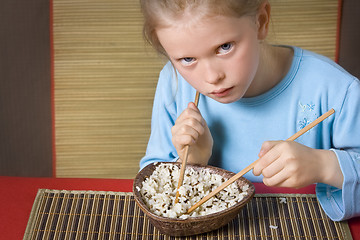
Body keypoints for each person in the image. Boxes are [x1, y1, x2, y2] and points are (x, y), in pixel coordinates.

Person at [138, 0, 360, 221]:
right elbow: (150, 188)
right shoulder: (175, 83)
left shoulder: (336, 90)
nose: (212, 76)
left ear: (260, 21)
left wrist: (324, 165)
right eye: (187, 59)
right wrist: (193, 161)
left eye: (225, 47)